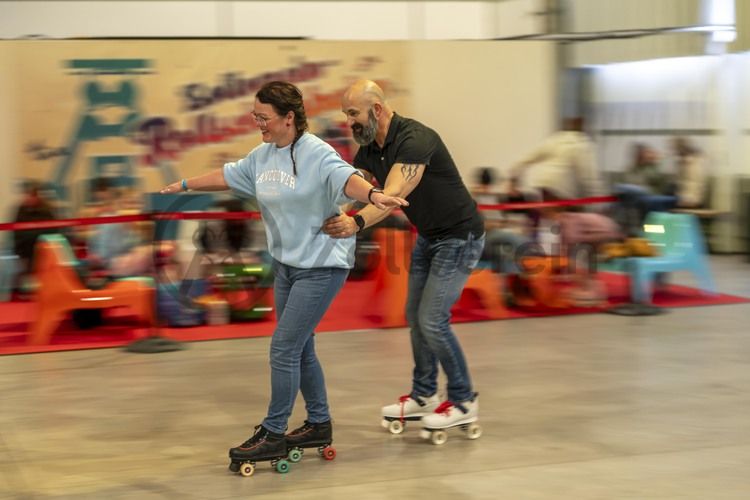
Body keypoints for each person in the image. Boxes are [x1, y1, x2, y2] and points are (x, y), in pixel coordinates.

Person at [160, 81, 407, 467]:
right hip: (287, 266)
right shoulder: (261, 157)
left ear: (288, 118)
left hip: (322, 264)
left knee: (283, 348)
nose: (257, 122)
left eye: (264, 117)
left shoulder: (316, 153)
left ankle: (274, 432)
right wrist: (186, 184)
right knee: (301, 346)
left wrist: (374, 197)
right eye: (254, 116)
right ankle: (319, 423)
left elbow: (347, 179)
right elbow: (228, 174)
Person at [322, 79, 485, 432]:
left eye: (353, 113)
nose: (349, 122)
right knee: (415, 314)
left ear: (377, 110)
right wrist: (330, 215)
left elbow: (391, 194)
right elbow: (362, 190)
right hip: (429, 236)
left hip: (460, 236)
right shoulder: (368, 150)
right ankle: (425, 394)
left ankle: (463, 400)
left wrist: (356, 224)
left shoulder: (415, 139)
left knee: (432, 319)